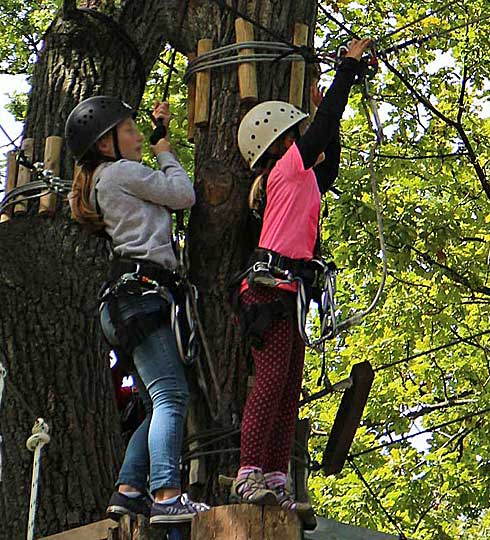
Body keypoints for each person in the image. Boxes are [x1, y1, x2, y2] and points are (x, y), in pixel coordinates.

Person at [230, 37, 373, 510]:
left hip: (289, 292)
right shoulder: (284, 171)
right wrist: (346, 69)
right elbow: (325, 126)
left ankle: (274, 476)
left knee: (290, 388)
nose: (308, 137)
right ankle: (248, 472)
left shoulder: (303, 176)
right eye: (301, 132)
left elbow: (328, 157)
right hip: (269, 292)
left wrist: (323, 111)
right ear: (285, 142)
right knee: (271, 384)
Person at [66, 97, 209, 524]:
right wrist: (166, 152)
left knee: (154, 402)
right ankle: (166, 493)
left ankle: (129, 490)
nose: (138, 138)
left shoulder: (105, 179)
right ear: (106, 144)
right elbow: (183, 195)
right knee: (172, 395)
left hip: (126, 303)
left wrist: (160, 131)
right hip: (141, 298)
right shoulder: (122, 173)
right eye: (128, 131)